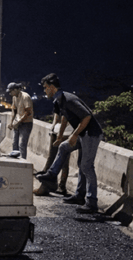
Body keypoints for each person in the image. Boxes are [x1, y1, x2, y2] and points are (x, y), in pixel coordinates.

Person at [36, 73, 105, 213]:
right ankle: (54, 176)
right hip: (82, 134)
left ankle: (92, 203)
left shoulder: (68, 99)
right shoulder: (59, 100)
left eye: (45, 88)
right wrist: (60, 136)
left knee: (86, 166)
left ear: (51, 87)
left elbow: (87, 116)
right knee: (64, 147)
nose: (44, 91)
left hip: (91, 134)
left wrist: (73, 135)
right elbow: (64, 118)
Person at [6, 82, 34, 158]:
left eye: (11, 91)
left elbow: (28, 112)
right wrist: (11, 122)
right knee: (14, 143)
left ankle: (23, 161)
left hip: (26, 123)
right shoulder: (14, 97)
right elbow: (14, 110)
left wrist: (18, 122)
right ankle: (15, 160)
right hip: (18, 121)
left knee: (22, 144)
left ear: (16, 90)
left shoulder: (25, 97)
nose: (10, 93)